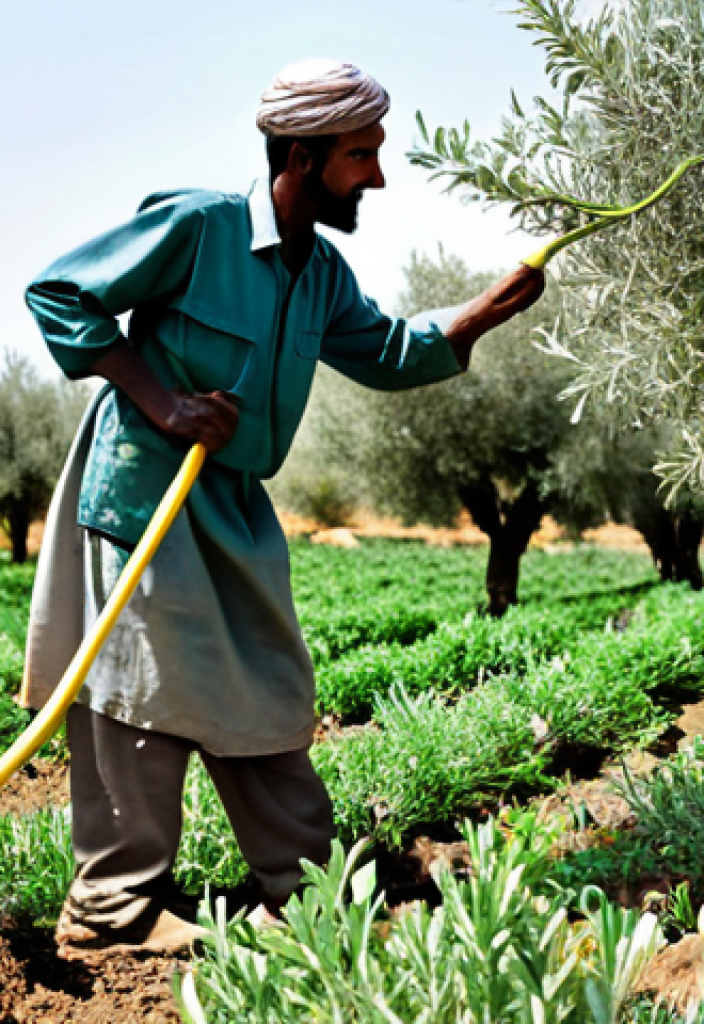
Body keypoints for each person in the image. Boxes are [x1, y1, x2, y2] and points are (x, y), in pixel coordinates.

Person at [21, 57, 544, 960]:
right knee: (137, 694)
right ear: (300, 156)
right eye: (359, 156)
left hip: (232, 504)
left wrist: (488, 309)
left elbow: (386, 351)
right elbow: (61, 295)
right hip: (146, 493)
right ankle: (114, 912)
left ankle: (305, 890)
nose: (375, 176)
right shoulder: (199, 227)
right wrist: (165, 402)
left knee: (268, 684)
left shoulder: (321, 272)